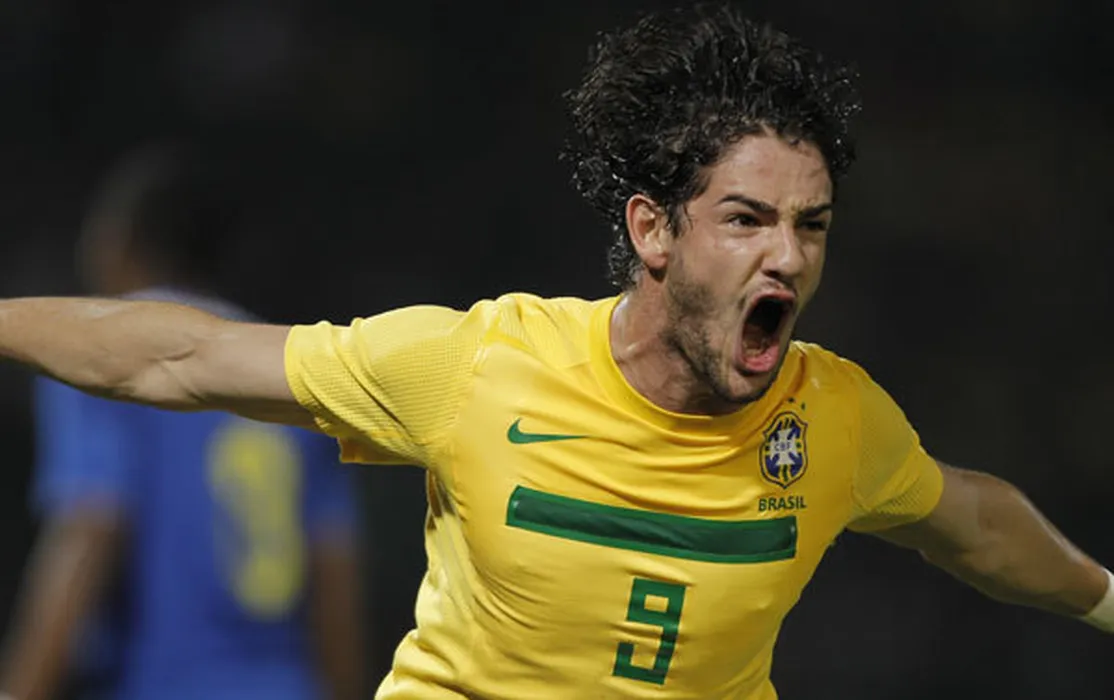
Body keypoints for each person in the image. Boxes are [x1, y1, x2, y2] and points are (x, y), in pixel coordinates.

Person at [0, 5, 1108, 698]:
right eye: (745, 219)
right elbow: (176, 356)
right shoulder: (479, 368)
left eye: (809, 225)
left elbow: (970, 521)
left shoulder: (836, 420)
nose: (788, 255)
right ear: (652, 231)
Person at [0, 147, 365, 700]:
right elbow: (335, 576)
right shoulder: (286, 369)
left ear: (118, 242)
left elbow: (89, 528)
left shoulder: (102, 361)